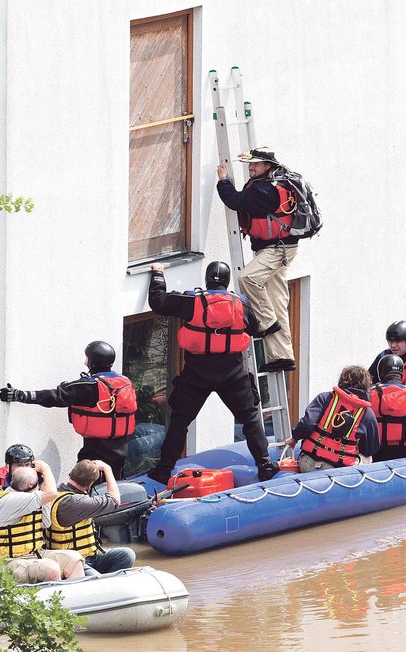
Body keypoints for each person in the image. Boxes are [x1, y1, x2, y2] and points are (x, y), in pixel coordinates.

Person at [146, 260, 278, 484]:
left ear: (207, 280)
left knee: (180, 421)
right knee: (251, 420)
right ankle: (265, 466)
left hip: (197, 373)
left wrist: (158, 274)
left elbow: (158, 302)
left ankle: (163, 470)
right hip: (233, 374)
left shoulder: (192, 301)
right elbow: (254, 328)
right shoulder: (241, 304)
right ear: (227, 283)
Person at [0, 341, 138, 478]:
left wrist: (20, 395)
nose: (85, 362)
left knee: (83, 482)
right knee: (113, 481)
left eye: (87, 358)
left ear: (92, 362)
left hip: (95, 449)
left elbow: (55, 397)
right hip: (120, 448)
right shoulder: (123, 382)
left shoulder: (89, 386)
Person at [216, 146, 300, 372]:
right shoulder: (277, 182)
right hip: (282, 247)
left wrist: (223, 180)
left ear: (267, 167)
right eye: (250, 164)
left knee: (247, 278)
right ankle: (282, 356)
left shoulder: (262, 190)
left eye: (256, 164)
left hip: (275, 249)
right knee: (277, 300)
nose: (251, 167)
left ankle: (266, 323)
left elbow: (234, 200)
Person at [0, 463, 85, 582]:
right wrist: (46, 468)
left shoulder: (31, 497)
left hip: (35, 554)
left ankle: (72, 598)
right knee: (51, 568)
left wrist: (43, 492)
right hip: (10, 562)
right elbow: (52, 494)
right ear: (30, 485)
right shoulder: (10, 499)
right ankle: (54, 599)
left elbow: (46, 523)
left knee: (74, 559)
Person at [46, 459, 136, 574]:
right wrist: (107, 469)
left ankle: (108, 582)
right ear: (90, 484)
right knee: (97, 581)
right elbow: (114, 500)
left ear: (71, 474)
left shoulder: (58, 494)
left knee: (126, 555)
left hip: (91, 556)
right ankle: (105, 585)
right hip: (73, 563)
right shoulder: (75, 502)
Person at [284, 365, 380, 472]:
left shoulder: (325, 398)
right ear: (366, 386)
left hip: (308, 463)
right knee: (368, 458)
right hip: (339, 469)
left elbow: (307, 424)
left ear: (342, 381)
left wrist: (294, 438)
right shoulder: (367, 413)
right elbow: (371, 448)